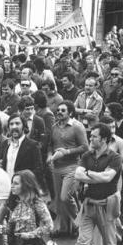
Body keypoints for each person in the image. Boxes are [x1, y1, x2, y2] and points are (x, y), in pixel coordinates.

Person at [60, 123, 122, 245]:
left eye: (94, 136)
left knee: (109, 242)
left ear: (104, 139)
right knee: (82, 239)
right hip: (89, 204)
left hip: (106, 205)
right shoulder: (87, 155)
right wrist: (95, 175)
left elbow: (108, 178)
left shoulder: (114, 158)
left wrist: (88, 174)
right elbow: (79, 175)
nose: (90, 138)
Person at [48, 101, 89, 237]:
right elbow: (50, 145)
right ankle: (65, 229)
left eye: (63, 110)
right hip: (56, 167)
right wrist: (49, 156)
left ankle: (78, 223)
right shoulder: (54, 127)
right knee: (59, 201)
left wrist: (67, 151)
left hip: (72, 166)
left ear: (70, 113)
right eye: (58, 109)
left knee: (65, 197)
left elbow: (85, 147)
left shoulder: (77, 127)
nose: (59, 112)